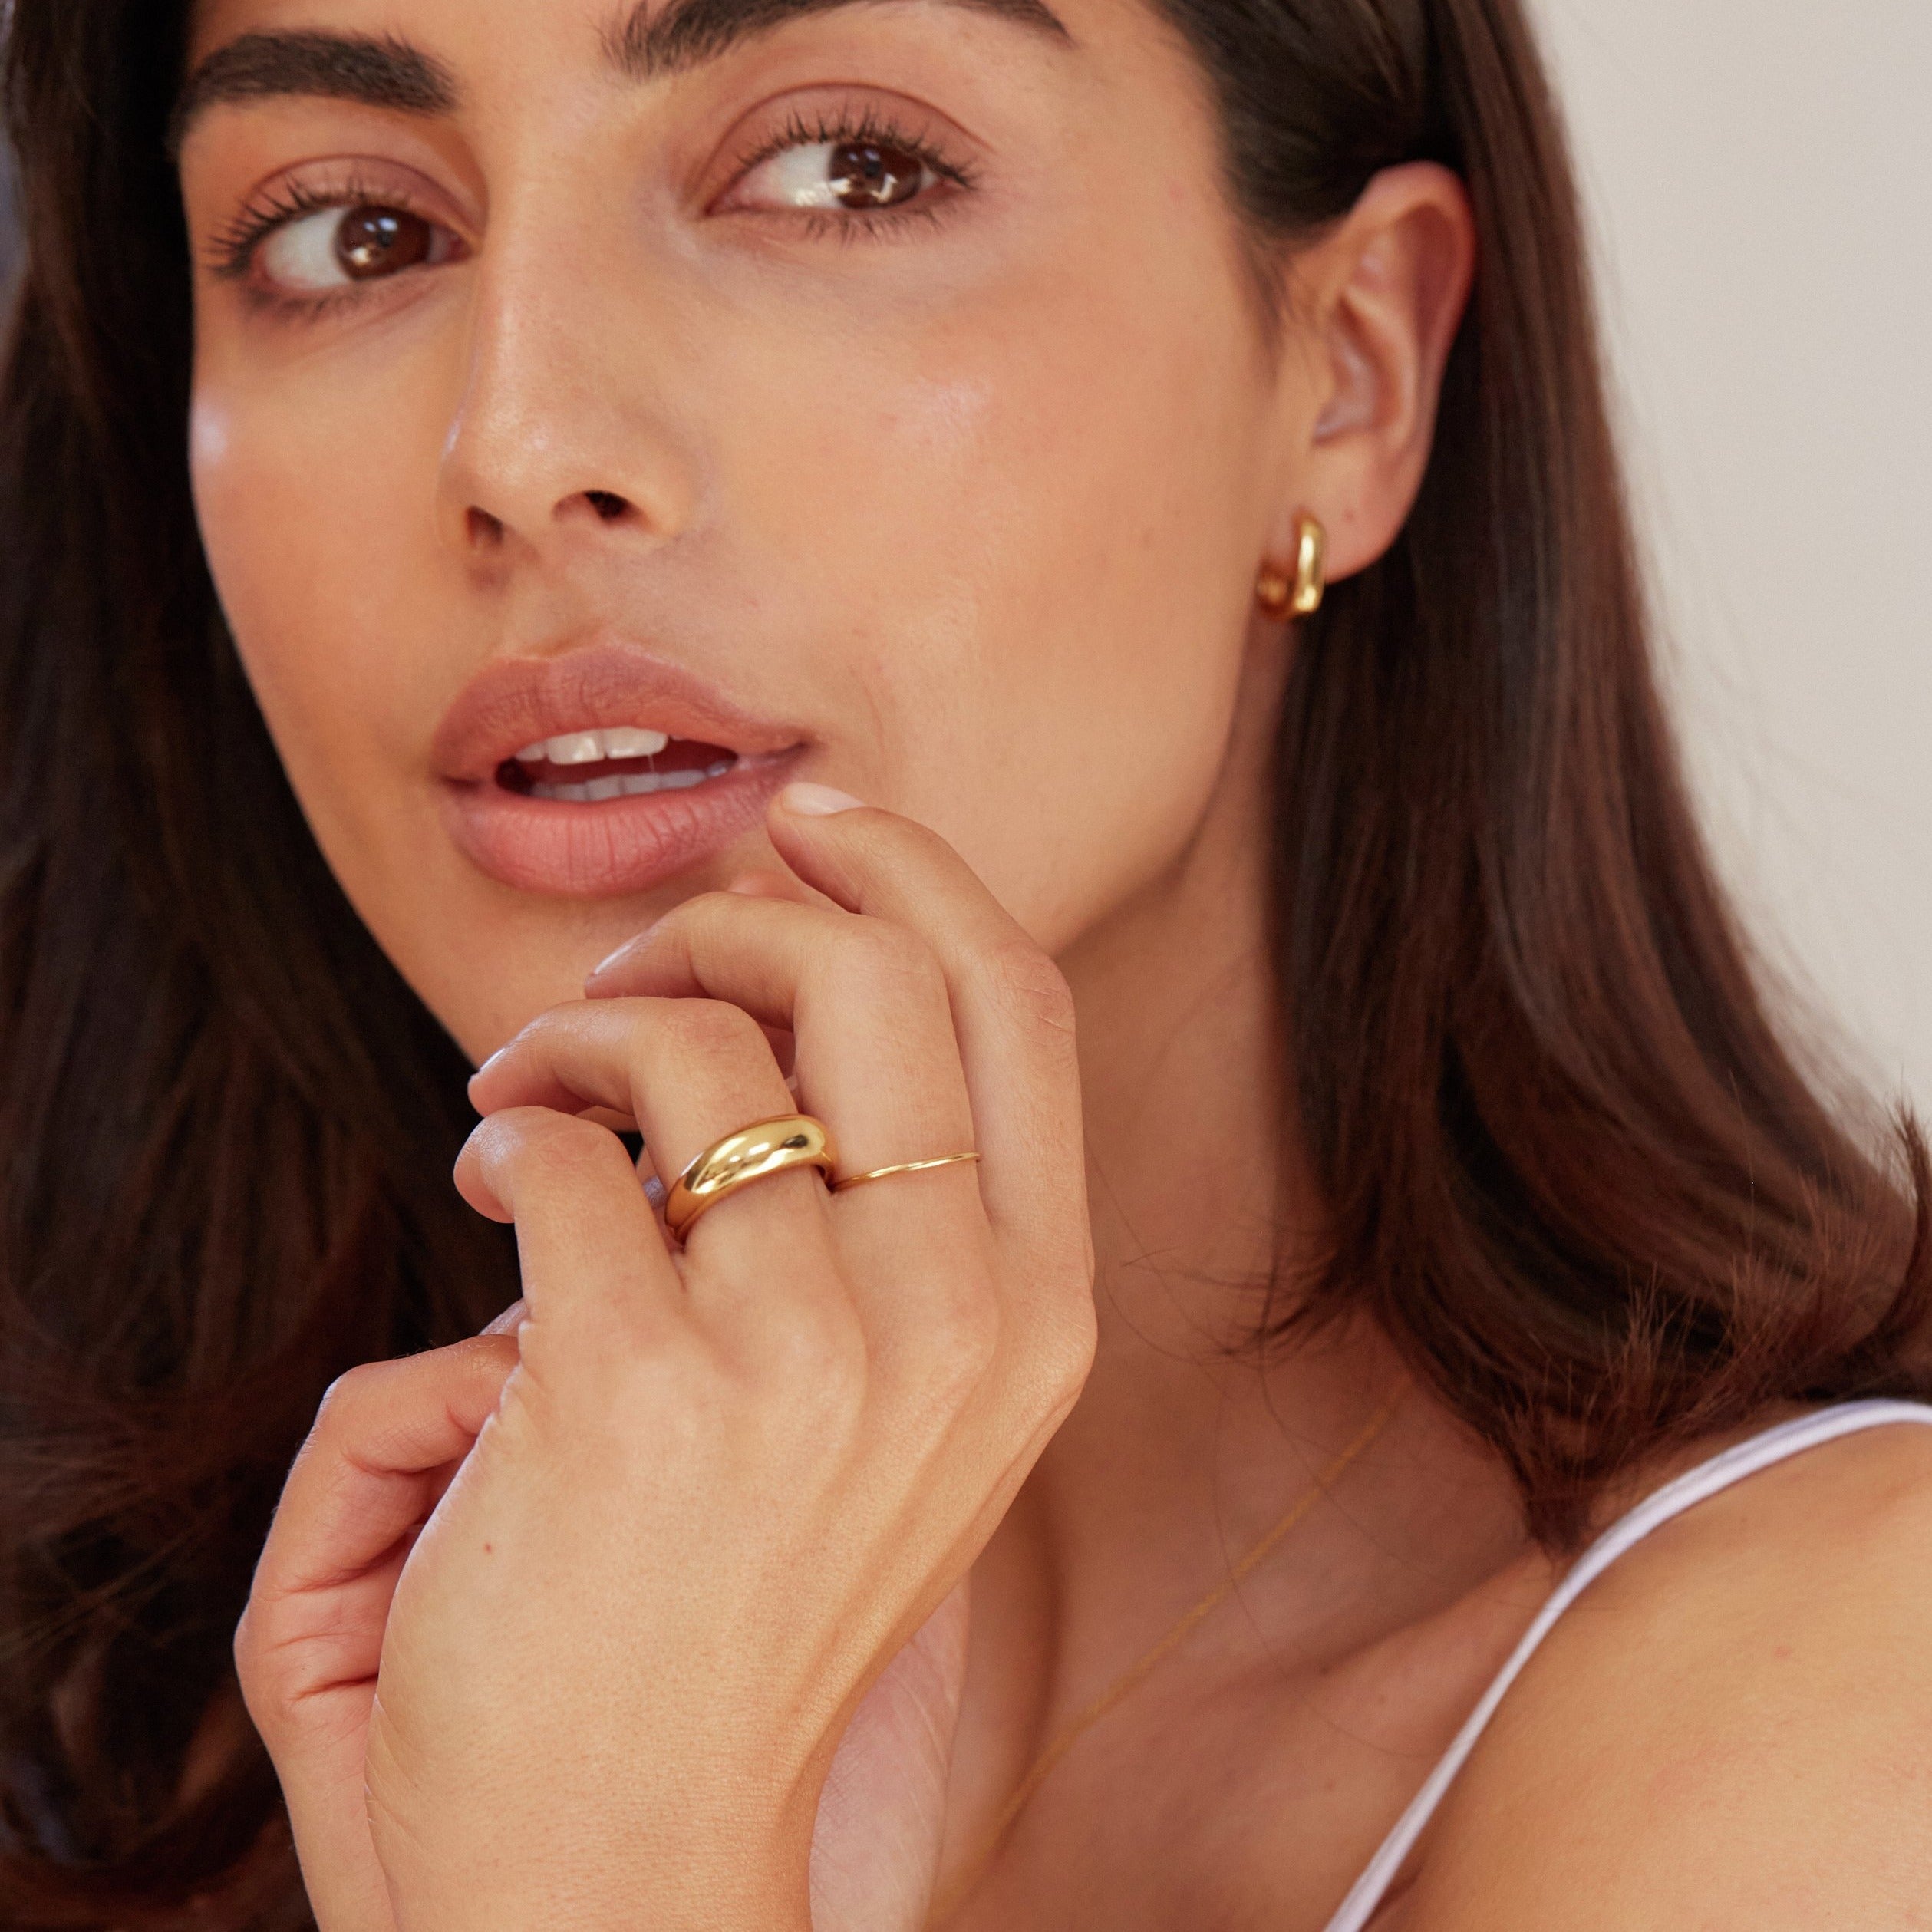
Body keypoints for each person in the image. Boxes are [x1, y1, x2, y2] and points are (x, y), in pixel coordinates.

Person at [2, 0, 1929, 1925]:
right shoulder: (117, 1722)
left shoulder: (1848, 1728)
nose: (517, 444)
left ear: (1343, 379)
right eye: (352, 233)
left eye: (845, 170)